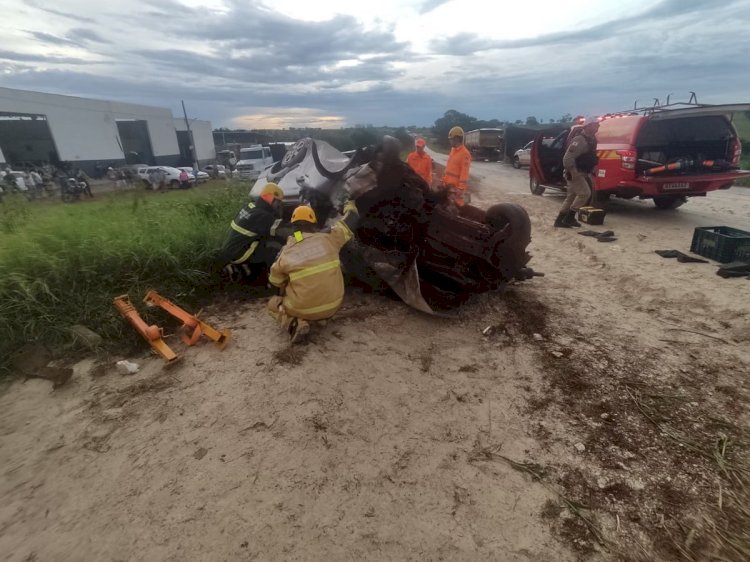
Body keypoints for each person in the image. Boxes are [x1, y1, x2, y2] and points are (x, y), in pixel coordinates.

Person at [266, 201, 359, 344]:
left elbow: (274, 282)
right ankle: (322, 317)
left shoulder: (287, 251)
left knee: (273, 304)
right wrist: (349, 202)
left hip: (304, 308)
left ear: (293, 226)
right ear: (314, 222)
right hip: (334, 305)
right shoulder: (330, 238)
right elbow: (352, 218)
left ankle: (294, 324)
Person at [219, 183, 288, 281]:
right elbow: (283, 232)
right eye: (278, 202)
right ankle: (271, 280)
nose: (279, 205)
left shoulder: (250, 206)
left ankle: (248, 271)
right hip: (240, 254)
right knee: (277, 247)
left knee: (268, 239)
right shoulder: (263, 216)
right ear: (271, 199)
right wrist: (300, 238)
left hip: (231, 250)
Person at [554, 118, 600, 228]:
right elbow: (567, 158)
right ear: (588, 126)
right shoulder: (579, 140)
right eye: (595, 125)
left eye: (598, 125)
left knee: (571, 197)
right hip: (575, 172)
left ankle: (560, 220)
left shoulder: (591, 139)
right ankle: (569, 218)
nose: (597, 127)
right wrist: (573, 172)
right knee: (585, 193)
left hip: (582, 171)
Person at [440, 126, 471, 206]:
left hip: (455, 190)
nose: (450, 141)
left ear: (457, 138)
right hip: (448, 187)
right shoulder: (453, 151)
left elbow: (464, 174)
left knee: (456, 210)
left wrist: (460, 189)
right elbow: (449, 169)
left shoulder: (465, 153)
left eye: (451, 139)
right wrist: (443, 181)